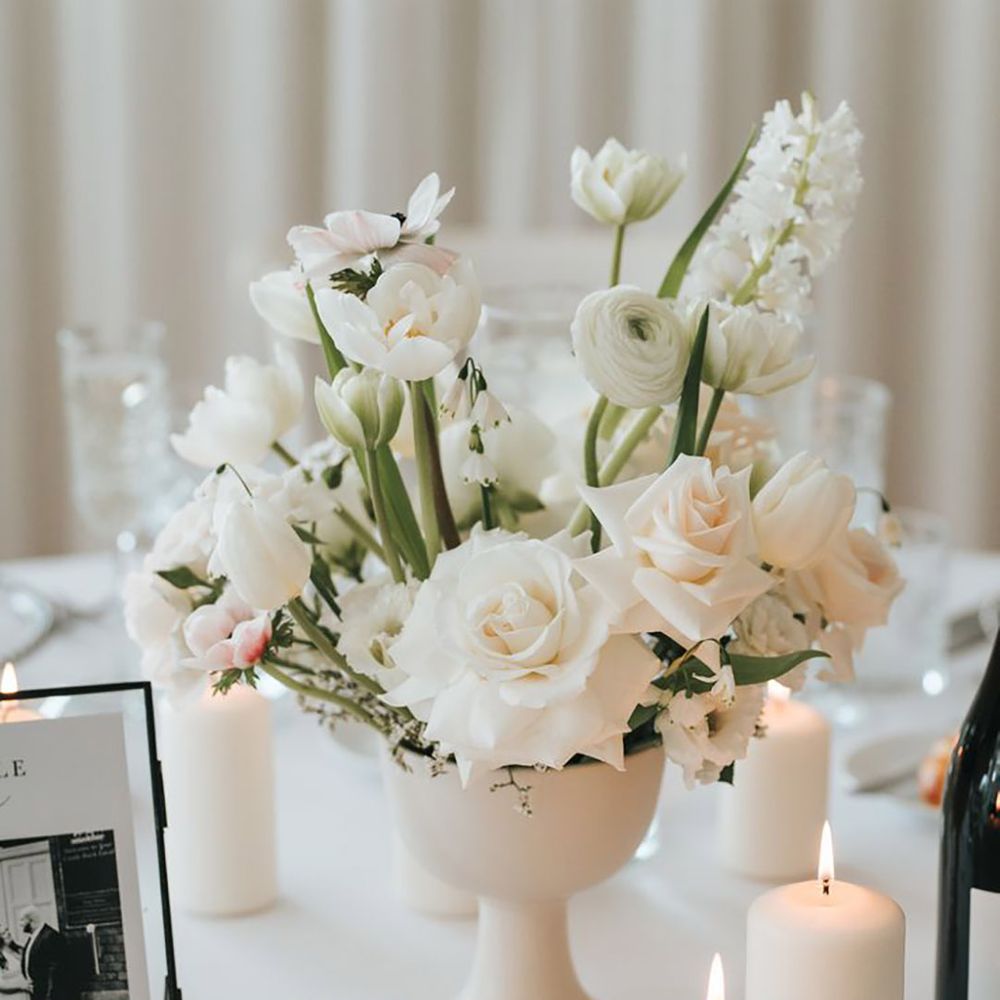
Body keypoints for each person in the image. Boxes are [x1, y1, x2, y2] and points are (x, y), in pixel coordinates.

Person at [15, 910, 75, 1000]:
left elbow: (55, 971)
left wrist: (49, 996)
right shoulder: (34, 936)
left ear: (31, 920)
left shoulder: (50, 936)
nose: (20, 924)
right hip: (37, 992)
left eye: (22, 920)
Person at [0, 927, 30, 1000]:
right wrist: (21, 986)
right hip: (10, 997)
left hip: (26, 995)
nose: (8, 933)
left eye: (7, 930)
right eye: (3, 933)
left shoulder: (19, 948)